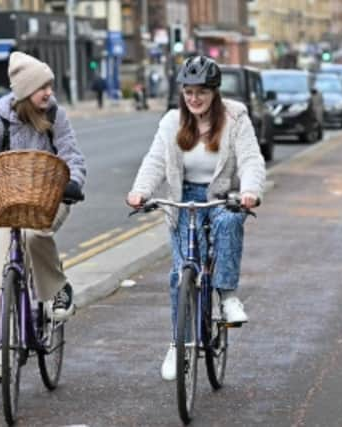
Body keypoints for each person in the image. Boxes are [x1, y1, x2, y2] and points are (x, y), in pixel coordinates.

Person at [0, 51, 86, 382]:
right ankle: (1, 353)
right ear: (25, 91)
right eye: (42, 87)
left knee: (34, 234)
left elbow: (72, 156)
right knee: (0, 281)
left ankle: (57, 291)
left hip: (50, 197)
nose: (48, 92)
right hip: (9, 201)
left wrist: (74, 182)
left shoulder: (55, 115)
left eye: (50, 86)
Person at [126, 55, 265, 382]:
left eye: (201, 91)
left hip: (221, 196)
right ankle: (179, 343)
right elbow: (155, 161)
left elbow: (251, 160)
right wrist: (140, 191)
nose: (194, 98)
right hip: (182, 198)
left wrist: (250, 191)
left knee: (228, 222)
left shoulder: (236, 118)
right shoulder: (171, 122)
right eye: (189, 91)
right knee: (181, 274)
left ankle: (228, 296)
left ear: (215, 92)